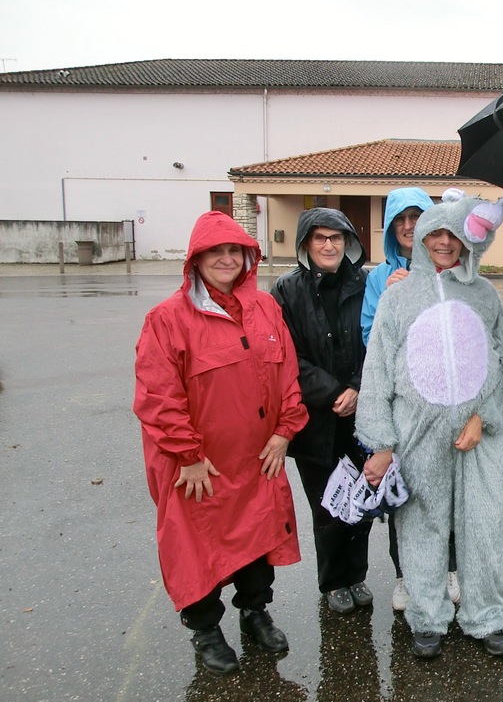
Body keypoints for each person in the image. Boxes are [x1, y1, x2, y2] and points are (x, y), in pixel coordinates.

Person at [134, 211, 308, 675]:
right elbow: (158, 395)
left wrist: (284, 429)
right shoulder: (168, 319)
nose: (227, 259)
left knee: (257, 539)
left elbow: (287, 371)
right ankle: (206, 629)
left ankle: (255, 612)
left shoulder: (265, 309)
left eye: (236, 251)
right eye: (216, 252)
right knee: (199, 549)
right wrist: (187, 456)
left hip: (257, 461)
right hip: (201, 469)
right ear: (195, 260)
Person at [356, 192, 503, 660]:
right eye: (435, 234)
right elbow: (377, 373)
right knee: (422, 528)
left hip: (479, 438)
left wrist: (485, 417)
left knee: (484, 528)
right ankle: (427, 618)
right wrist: (382, 443)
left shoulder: (485, 294)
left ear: (469, 241)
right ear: (421, 238)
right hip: (418, 436)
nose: (444, 243)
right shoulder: (400, 297)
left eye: (453, 234)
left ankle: (486, 616)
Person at [360, 186, 460, 612]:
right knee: (402, 497)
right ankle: (405, 576)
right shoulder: (380, 278)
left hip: (446, 406)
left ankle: (449, 569)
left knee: (447, 493)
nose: (408, 226)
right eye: (400, 219)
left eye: (416, 218)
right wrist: (391, 299)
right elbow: (370, 338)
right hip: (404, 411)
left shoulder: (448, 267)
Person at [270, 208, 373, 616]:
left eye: (336, 238)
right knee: (328, 505)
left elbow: (381, 342)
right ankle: (333, 581)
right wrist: (334, 392)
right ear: (305, 245)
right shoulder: (287, 290)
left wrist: (360, 389)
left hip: (363, 415)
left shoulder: (367, 284)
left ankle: (357, 573)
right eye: (319, 238)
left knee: (362, 500)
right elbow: (285, 354)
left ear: (349, 242)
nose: (329, 246)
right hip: (315, 419)